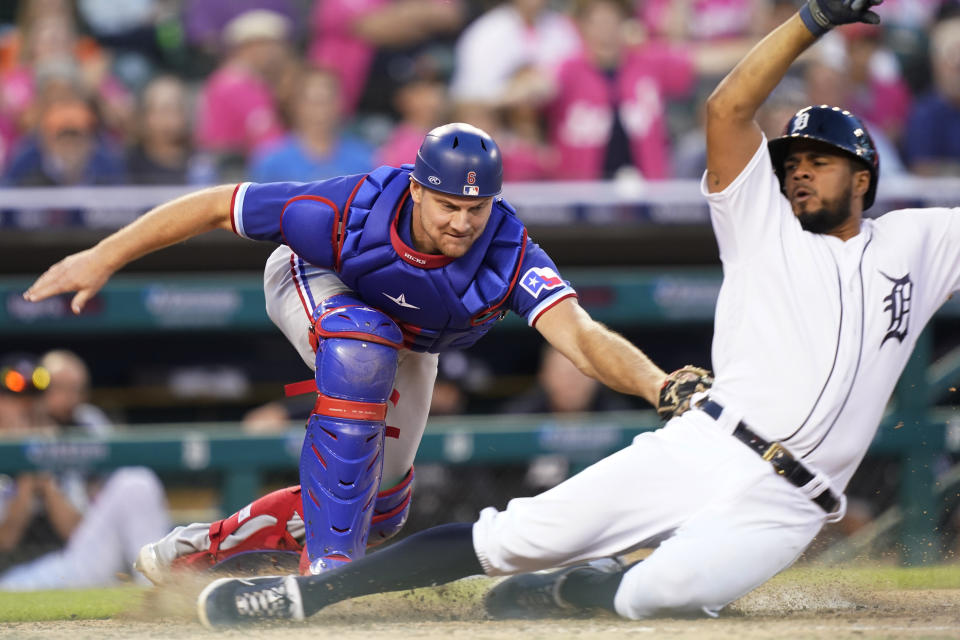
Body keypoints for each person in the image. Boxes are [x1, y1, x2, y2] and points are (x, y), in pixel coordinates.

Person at [187, 0, 960, 627]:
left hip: (793, 502)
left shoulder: (919, 242)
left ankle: (583, 588)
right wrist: (812, 21)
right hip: (707, 440)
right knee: (513, 536)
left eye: (818, 164)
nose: (798, 176)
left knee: (661, 595)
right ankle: (305, 596)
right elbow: (728, 108)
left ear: (864, 175)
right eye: (791, 163)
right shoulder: (759, 221)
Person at [22, 123, 704, 584]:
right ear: (415, 187)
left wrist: (658, 385)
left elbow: (579, 335)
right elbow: (215, 205)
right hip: (316, 283)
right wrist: (103, 255)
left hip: (410, 341)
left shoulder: (508, 250)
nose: (463, 222)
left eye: (477, 208)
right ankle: (330, 576)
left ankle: (205, 547)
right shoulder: (348, 207)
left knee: (380, 510)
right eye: (447, 205)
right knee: (361, 350)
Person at [0, 354, 171, 589]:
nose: (27, 406)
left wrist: (45, 476)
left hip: (62, 564)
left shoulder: (54, 444)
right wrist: (27, 476)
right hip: (10, 577)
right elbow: (5, 541)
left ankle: (160, 590)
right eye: (14, 399)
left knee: (136, 482)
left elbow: (74, 531)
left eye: (34, 397)